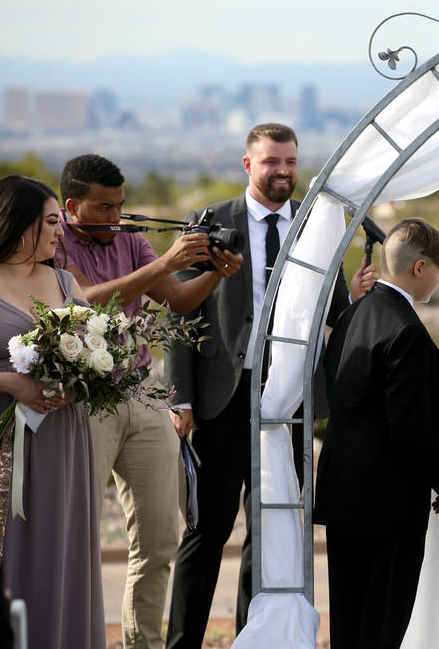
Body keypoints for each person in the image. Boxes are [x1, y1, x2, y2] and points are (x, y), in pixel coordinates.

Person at [164, 123, 375, 647]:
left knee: (272, 529)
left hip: (293, 398)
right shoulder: (209, 222)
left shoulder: (315, 224)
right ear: (247, 165)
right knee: (206, 532)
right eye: (271, 162)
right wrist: (180, 397)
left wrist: (358, 296)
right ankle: (181, 643)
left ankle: (252, 637)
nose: (282, 172)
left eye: (290, 162)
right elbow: (180, 314)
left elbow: (337, 312)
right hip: (222, 397)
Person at [56, 153, 243, 649]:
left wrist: (218, 273)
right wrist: (164, 262)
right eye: (104, 208)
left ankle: (143, 645)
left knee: (160, 540)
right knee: (77, 537)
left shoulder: (132, 239)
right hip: (82, 397)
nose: (117, 217)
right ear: (72, 206)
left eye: (120, 205)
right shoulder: (53, 243)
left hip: (140, 390)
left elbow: (178, 301)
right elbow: (82, 302)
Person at [314, 218, 439, 648]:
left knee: (349, 620)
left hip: (344, 492)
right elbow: (409, 425)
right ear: (420, 269)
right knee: (382, 625)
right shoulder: (406, 331)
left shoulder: (354, 313)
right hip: (388, 502)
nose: (438, 280)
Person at [0, 175, 103, 648]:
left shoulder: (63, 280)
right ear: (19, 223)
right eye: (53, 220)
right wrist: (11, 383)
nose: (62, 231)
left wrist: (78, 384)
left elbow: (92, 353)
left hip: (62, 440)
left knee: (62, 549)